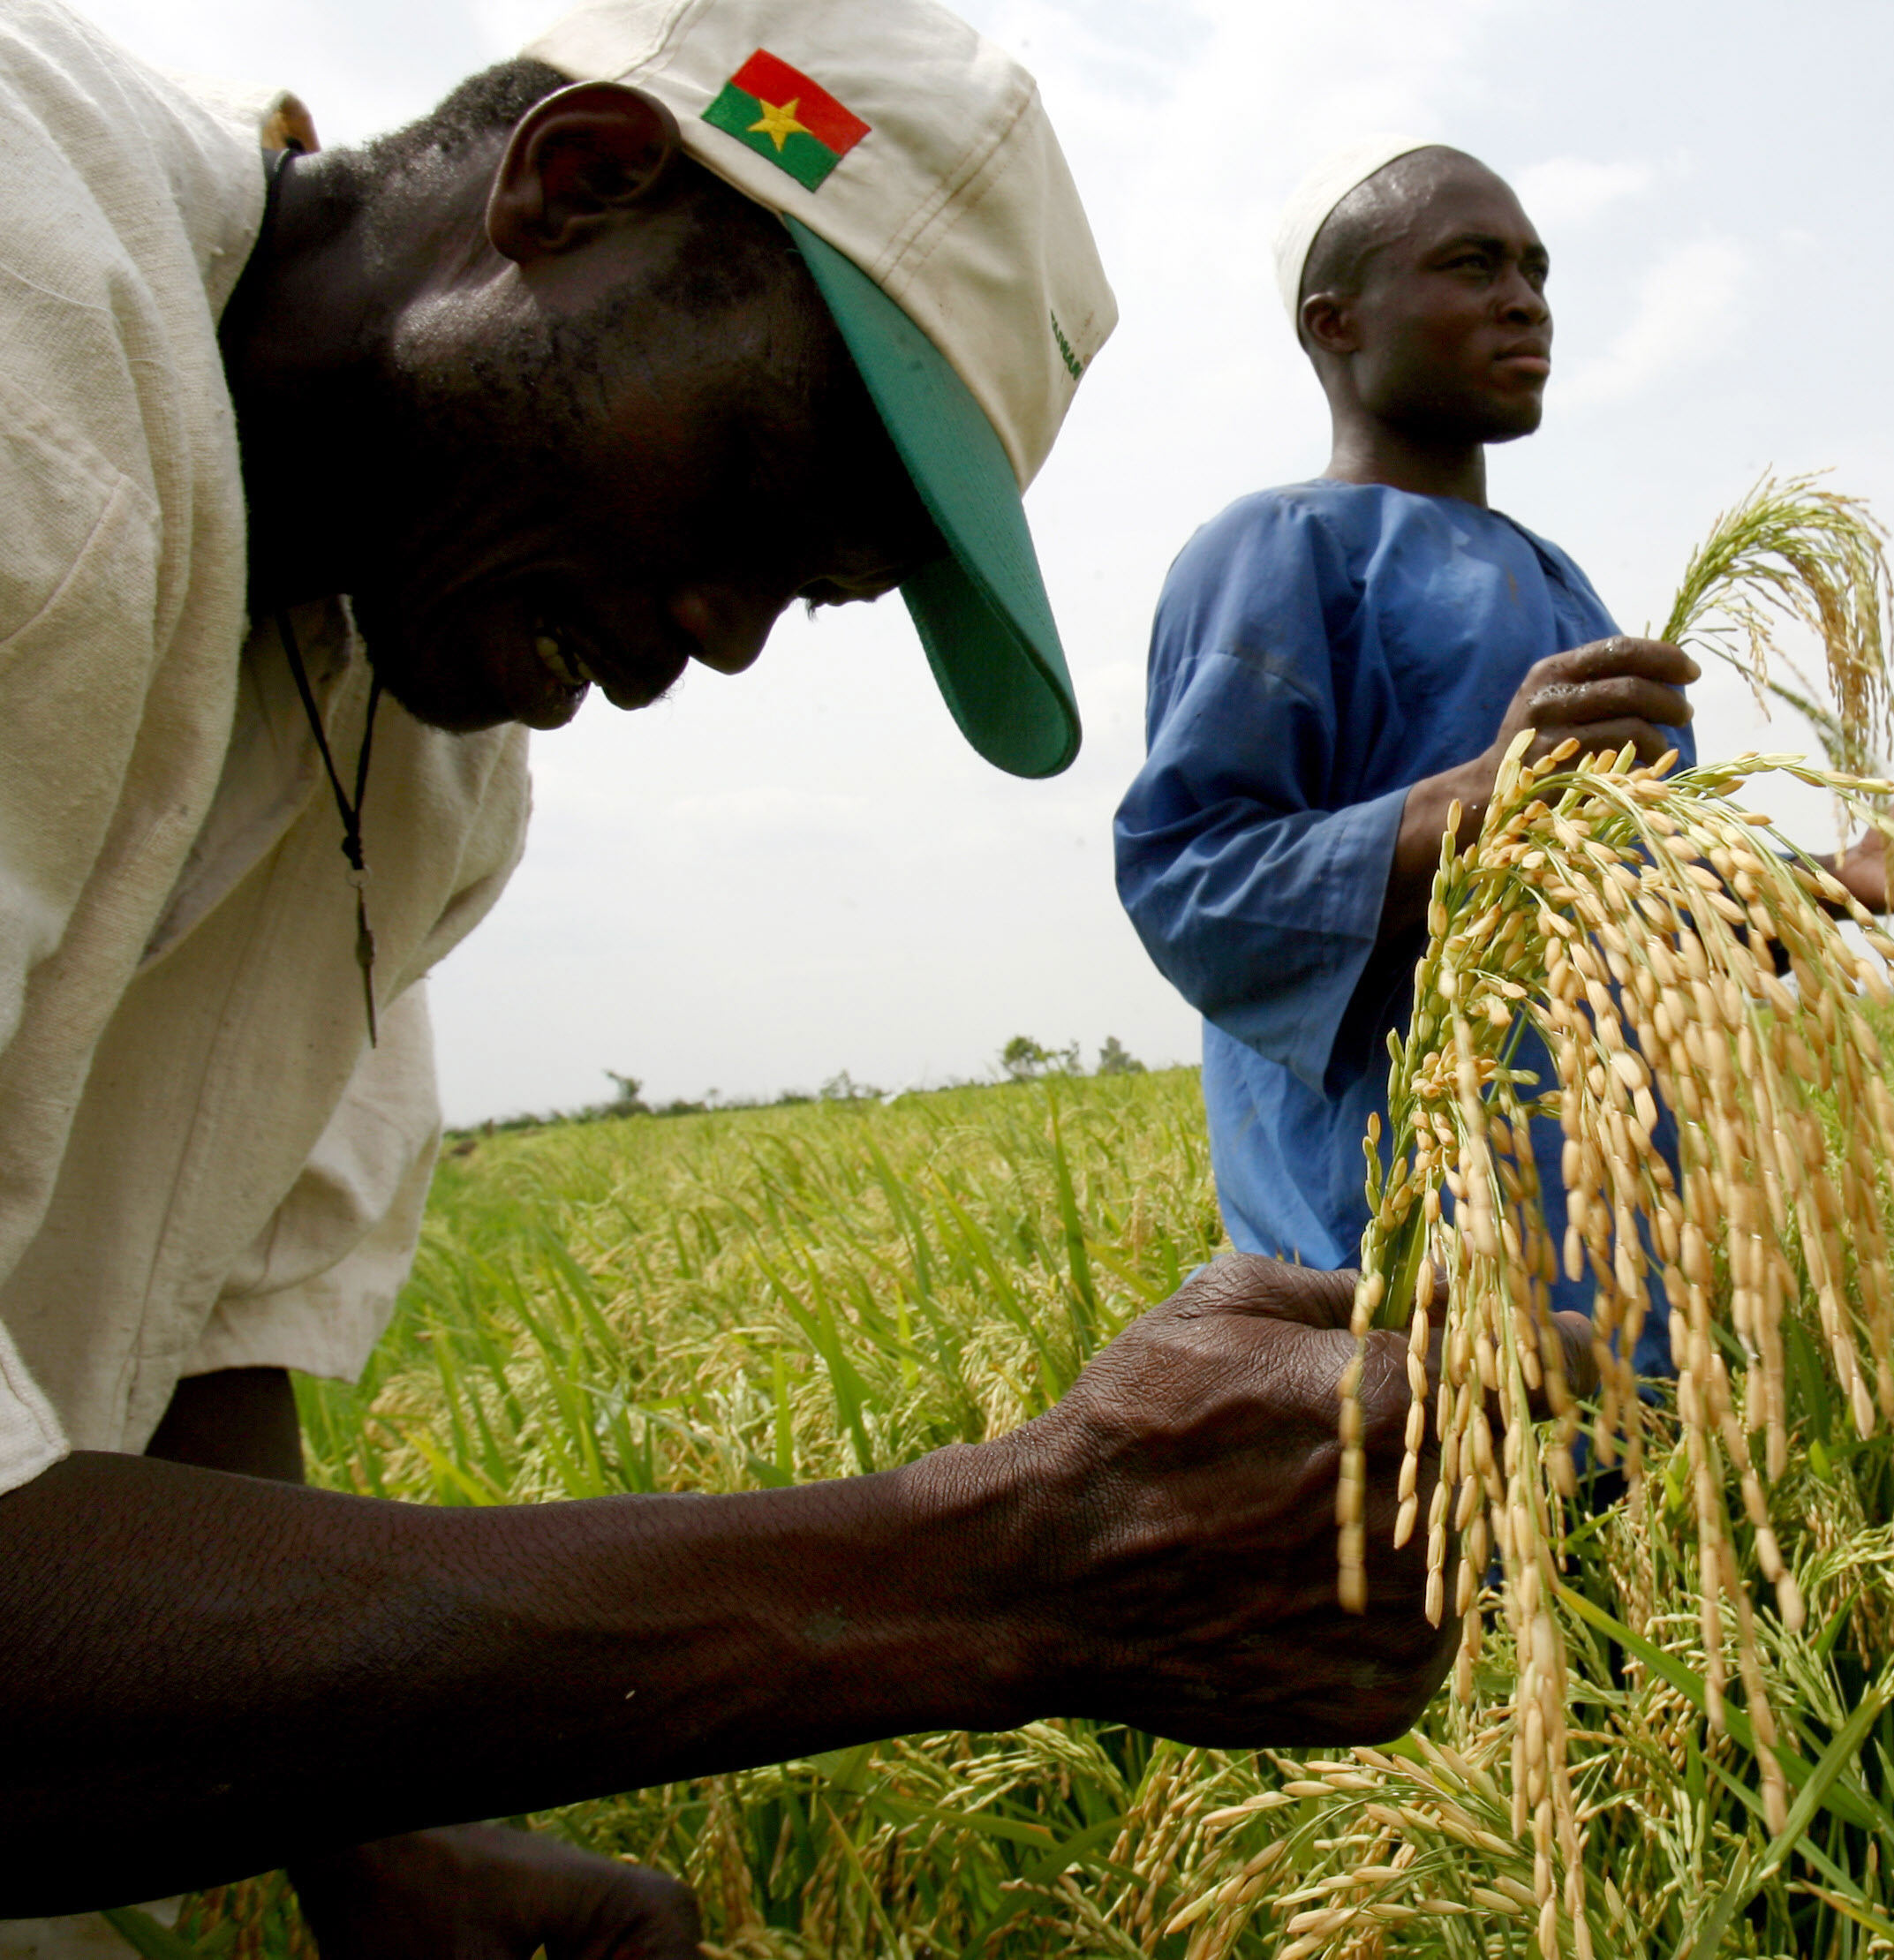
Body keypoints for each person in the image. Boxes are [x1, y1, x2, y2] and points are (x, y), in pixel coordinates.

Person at [0, 4, 1519, 1951]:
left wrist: (377, 1845)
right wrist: (1008, 1569)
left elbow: (198, 1318)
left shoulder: (420, 742)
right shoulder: (46, 357)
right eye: (756, 489)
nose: (719, 636)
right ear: (583, 182)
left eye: (812, 591)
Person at [1113, 141, 1894, 1366]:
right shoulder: (1275, 550)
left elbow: (1637, 895)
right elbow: (1193, 884)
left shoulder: (1563, 585)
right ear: (1334, 322)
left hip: (1625, 1255)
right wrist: (1479, 799)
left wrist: (1826, 885)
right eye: (1471, 264)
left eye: (1537, 269)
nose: (1524, 298)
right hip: (1392, 1262)